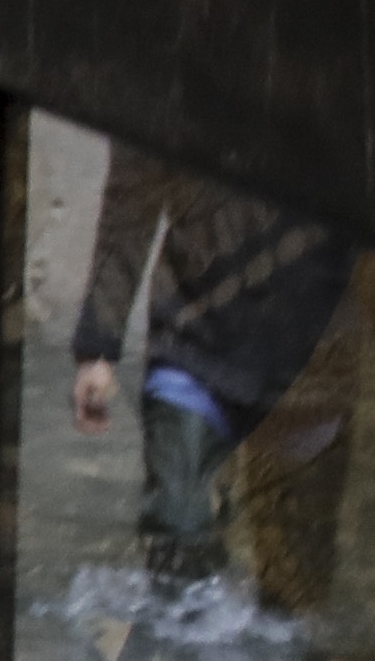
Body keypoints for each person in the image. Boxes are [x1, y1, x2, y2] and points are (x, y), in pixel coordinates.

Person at [74, 142, 362, 604]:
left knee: (296, 589)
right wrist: (98, 347)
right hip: (192, 343)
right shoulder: (169, 84)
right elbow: (130, 202)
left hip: (311, 357)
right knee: (176, 539)